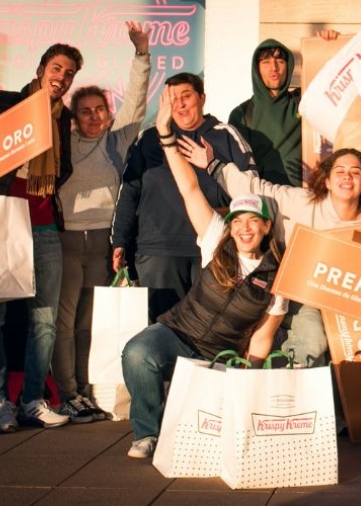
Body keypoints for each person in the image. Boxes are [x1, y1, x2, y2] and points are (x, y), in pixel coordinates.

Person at [121, 87, 288, 459]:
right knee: (137, 353)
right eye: (238, 220)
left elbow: (262, 339)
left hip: (222, 355)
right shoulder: (216, 239)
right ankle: (148, 432)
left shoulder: (277, 277)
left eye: (253, 222)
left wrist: (251, 378)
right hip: (179, 331)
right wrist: (165, 135)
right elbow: (189, 187)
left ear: (265, 228)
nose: (244, 229)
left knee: (214, 437)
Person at [0, 43, 83, 432]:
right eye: (57, 68)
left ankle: (32, 399)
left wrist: (46, 185)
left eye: (69, 74)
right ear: (40, 68)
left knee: (45, 319)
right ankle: (0, 404)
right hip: (1, 218)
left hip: (44, 225)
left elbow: (61, 166)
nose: (62, 77)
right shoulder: (2, 103)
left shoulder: (62, 118)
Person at [201, 144, 361, 367]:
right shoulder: (302, 202)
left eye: (355, 172)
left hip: (346, 303)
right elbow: (256, 189)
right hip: (301, 297)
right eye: (340, 171)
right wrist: (214, 165)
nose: (347, 176)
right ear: (327, 181)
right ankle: (287, 387)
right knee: (312, 341)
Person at [52, 21, 150, 424]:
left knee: (89, 324)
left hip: (101, 244)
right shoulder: (63, 140)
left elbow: (139, 101)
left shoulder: (117, 139)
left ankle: (88, 391)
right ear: (73, 117)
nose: (93, 117)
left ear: (109, 114)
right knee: (64, 322)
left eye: (99, 111)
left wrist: (141, 54)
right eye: (85, 112)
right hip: (65, 241)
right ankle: (68, 394)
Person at [111, 72, 257, 323]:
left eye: (186, 96)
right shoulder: (148, 139)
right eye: (171, 98)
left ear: (202, 98)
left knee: (211, 327)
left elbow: (251, 192)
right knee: (161, 330)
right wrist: (119, 240)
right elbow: (128, 192)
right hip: (159, 253)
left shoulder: (225, 135)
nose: (179, 104)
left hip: (214, 251)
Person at [229, 31, 339, 187]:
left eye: (280, 60)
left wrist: (328, 46)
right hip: (262, 200)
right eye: (265, 61)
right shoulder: (242, 114)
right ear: (256, 68)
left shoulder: (304, 102)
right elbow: (237, 169)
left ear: (288, 65)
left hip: (303, 195)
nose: (273, 68)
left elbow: (332, 81)